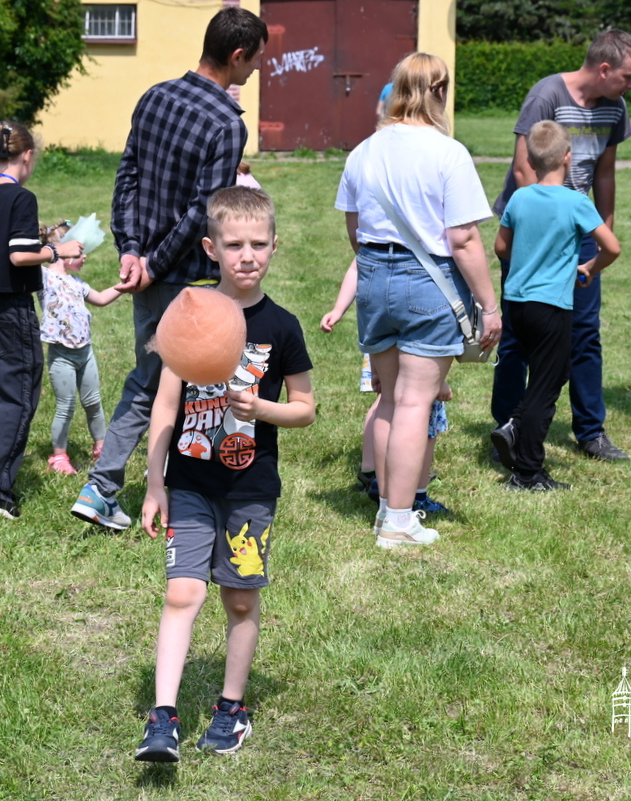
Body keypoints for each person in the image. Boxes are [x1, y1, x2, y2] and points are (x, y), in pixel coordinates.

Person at [71, 6, 269, 530]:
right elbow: (203, 210)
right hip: (184, 277)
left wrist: (131, 248)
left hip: (147, 268)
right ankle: (104, 487)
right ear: (236, 55)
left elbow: (128, 175)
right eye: (254, 63)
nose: (253, 73)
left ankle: (183, 483)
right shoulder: (226, 124)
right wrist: (155, 264)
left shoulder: (155, 94)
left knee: (162, 380)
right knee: (160, 381)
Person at [135, 187, 314, 762]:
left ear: (274, 247)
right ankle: (162, 718)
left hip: (250, 489)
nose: (247, 255)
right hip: (188, 484)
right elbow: (165, 404)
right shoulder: (188, 315)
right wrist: (154, 481)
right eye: (234, 244)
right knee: (182, 592)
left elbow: (306, 409)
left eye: (258, 244)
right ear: (211, 248)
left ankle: (231, 708)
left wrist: (262, 408)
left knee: (239, 599)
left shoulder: (281, 327)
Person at [335, 52, 501, 548]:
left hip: (373, 276)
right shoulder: (448, 153)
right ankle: (400, 521)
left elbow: (354, 228)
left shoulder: (362, 151)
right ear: (439, 92)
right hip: (427, 280)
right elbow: (464, 240)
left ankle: (390, 505)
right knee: (413, 403)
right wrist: (489, 307)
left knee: (390, 398)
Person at [490, 29, 631, 463]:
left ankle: (591, 432)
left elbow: (606, 173)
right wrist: (536, 241)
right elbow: (523, 170)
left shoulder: (615, 107)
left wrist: (601, 232)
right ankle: (508, 426)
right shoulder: (546, 95)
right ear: (604, 68)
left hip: (578, 237)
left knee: (583, 335)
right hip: (533, 236)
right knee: (519, 338)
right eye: (628, 77)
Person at [490, 121, 621, 491]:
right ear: (568, 157)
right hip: (552, 307)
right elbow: (612, 247)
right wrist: (590, 268)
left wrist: (528, 259)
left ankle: (514, 424)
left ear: (530, 160)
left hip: (516, 302)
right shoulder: (577, 202)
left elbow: (501, 248)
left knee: (549, 373)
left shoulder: (519, 198)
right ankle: (527, 473)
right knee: (547, 386)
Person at [0, 122, 84, 520]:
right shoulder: (21, 198)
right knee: (20, 393)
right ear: (27, 155)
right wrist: (55, 250)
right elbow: (18, 255)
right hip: (13, 308)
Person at [320, 259, 450, 516]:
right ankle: (416, 496)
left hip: (378, 314)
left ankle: (375, 476)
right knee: (422, 412)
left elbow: (358, 264)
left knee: (386, 403)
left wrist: (338, 308)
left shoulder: (375, 241)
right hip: (420, 317)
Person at [38, 222, 122, 475]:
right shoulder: (44, 277)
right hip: (61, 355)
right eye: (80, 251)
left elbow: (102, 299)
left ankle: (101, 447)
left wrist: (124, 286)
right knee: (66, 406)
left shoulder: (78, 283)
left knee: (94, 402)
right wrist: (50, 244)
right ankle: (60, 457)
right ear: (61, 251)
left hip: (85, 353)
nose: (84, 257)